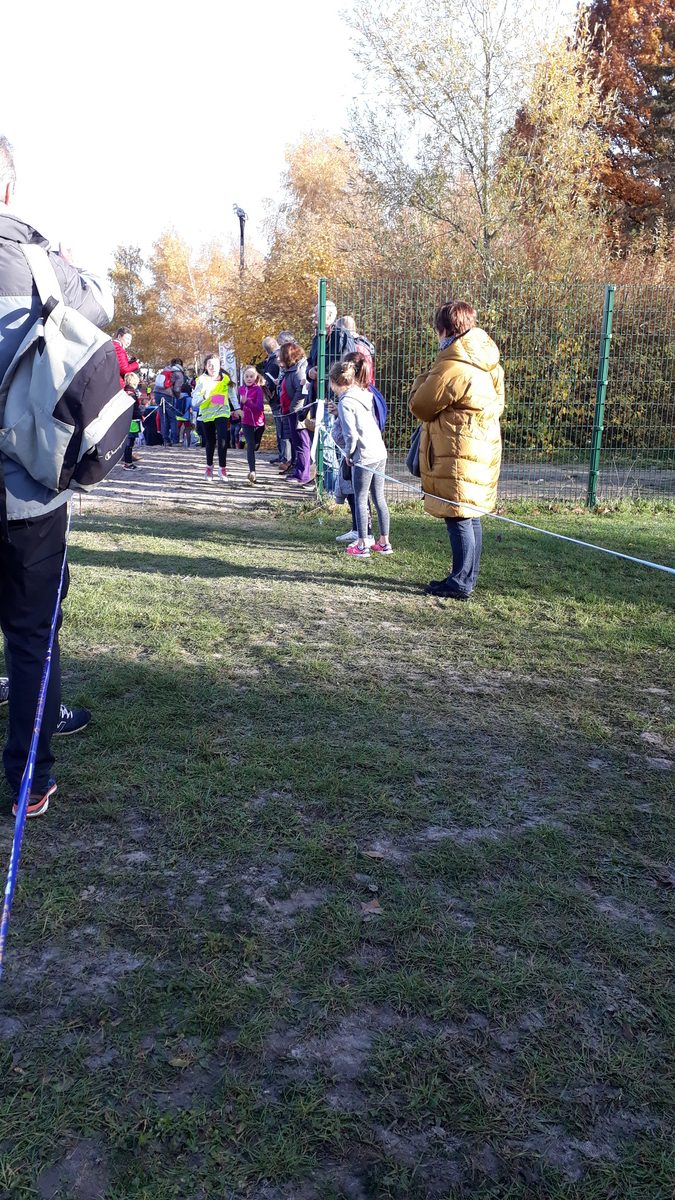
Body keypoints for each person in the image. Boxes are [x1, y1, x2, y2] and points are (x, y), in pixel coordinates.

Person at [0, 135, 113, 817]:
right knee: (33, 634)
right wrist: (71, 264)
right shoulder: (41, 263)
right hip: (30, 489)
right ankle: (29, 779)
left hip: (29, 492)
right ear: (8, 188)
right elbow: (101, 306)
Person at [409, 300, 505, 600]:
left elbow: (421, 405)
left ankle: (460, 582)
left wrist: (424, 377)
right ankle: (465, 577)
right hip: (480, 444)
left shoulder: (452, 365)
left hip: (457, 448)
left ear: (445, 330)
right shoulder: (489, 362)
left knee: (458, 514)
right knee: (470, 514)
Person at [330, 359, 392, 559]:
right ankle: (384, 542)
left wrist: (349, 455)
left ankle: (363, 545)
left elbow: (351, 435)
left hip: (364, 456)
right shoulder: (363, 394)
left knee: (360, 498)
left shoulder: (345, 402)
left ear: (335, 382)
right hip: (379, 452)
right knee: (379, 498)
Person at [192, 353, 239, 481]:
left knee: (223, 439)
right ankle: (209, 467)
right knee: (210, 441)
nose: (213, 368)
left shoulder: (225, 379)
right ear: (205, 367)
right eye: (210, 365)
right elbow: (194, 402)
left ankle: (222, 468)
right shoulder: (201, 380)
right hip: (207, 414)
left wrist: (237, 408)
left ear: (220, 366)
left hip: (222, 412)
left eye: (215, 365)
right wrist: (204, 397)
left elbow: (232, 395)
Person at [280, 343, 311, 486]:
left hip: (298, 412)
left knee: (302, 442)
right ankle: (298, 470)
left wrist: (294, 407)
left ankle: (303, 474)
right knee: (297, 442)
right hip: (291, 411)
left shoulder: (299, 370)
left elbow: (302, 391)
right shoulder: (291, 370)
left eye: (281, 355)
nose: (279, 358)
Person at [238, 367, 266, 484]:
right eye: (247, 376)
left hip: (259, 423)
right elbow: (239, 406)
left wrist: (247, 402)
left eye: (251, 376)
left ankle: (254, 447)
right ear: (243, 378)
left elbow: (259, 408)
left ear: (256, 377)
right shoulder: (241, 389)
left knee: (255, 445)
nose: (249, 379)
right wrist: (237, 412)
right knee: (250, 445)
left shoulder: (258, 390)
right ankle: (252, 472)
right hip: (246, 422)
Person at [259, 336, 281, 462]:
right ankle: (284, 456)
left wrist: (265, 385)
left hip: (276, 400)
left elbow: (271, 384)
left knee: (281, 429)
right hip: (278, 399)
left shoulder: (273, 361)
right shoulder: (277, 359)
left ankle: (284, 456)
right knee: (281, 429)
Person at [122, 372, 143, 469]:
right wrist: (140, 415)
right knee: (129, 443)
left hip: (125, 420)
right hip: (132, 421)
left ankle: (127, 461)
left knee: (127, 442)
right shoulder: (131, 394)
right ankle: (128, 463)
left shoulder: (124, 392)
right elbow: (133, 409)